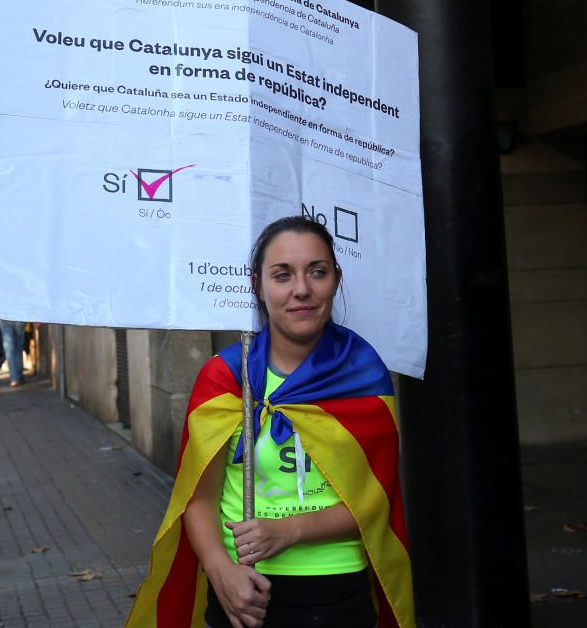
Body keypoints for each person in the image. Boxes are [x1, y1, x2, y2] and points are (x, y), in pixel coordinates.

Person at [126, 216, 414, 628]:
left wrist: (288, 530)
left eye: (317, 271)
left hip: (335, 589)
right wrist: (220, 570)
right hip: (241, 588)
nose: (301, 289)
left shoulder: (363, 374)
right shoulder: (225, 377)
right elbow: (199, 498)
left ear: (337, 277)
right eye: (282, 275)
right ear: (257, 285)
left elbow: (375, 500)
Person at [0, 320, 25, 387]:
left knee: (9, 349)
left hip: (4, 318)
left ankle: (14, 378)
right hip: (18, 317)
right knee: (18, 347)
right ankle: (19, 374)